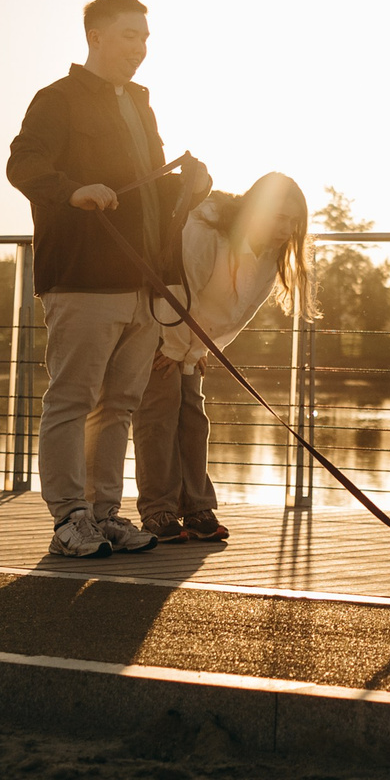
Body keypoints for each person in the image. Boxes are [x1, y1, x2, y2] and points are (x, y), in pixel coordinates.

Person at [6, 0, 210, 559]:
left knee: (119, 405)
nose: (140, 48)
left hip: (142, 283)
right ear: (96, 36)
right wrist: (73, 191)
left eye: (145, 38)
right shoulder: (57, 99)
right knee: (72, 399)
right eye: (129, 36)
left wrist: (189, 185)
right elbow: (23, 164)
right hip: (81, 278)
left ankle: (103, 514)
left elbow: (154, 186)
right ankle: (69, 517)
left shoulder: (140, 105)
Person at [133, 173, 313, 543]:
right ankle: (157, 510)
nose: (286, 228)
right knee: (158, 416)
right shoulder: (205, 231)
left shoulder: (270, 255)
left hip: (189, 340)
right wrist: (173, 347)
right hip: (159, 325)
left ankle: (196, 506)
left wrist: (196, 350)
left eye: (293, 221)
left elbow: (237, 312)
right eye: (279, 217)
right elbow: (178, 289)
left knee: (193, 420)